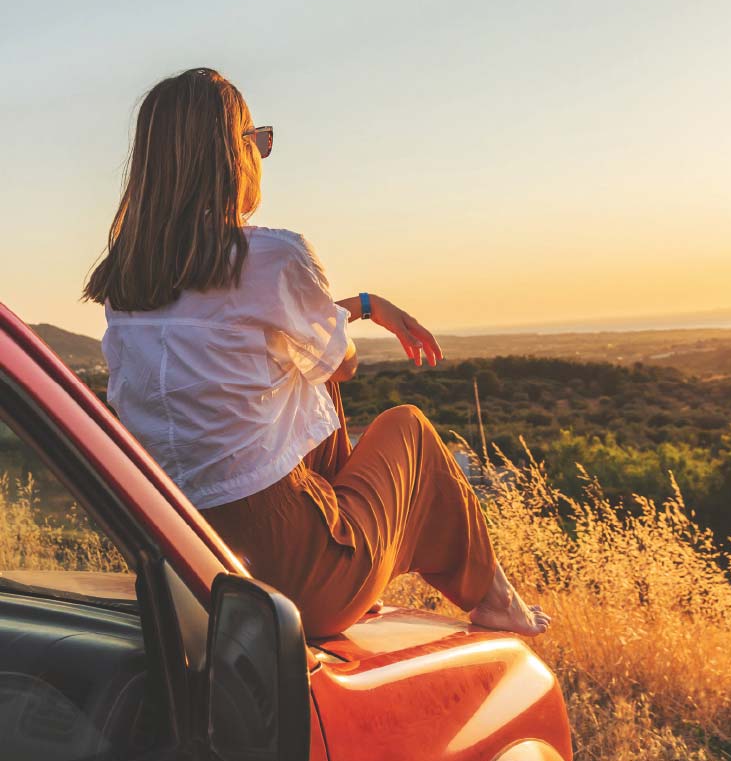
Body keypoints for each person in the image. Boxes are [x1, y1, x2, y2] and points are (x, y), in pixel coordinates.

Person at [83, 67, 549, 639]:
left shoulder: (127, 286)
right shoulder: (273, 256)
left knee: (302, 376)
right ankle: (498, 600)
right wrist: (361, 308)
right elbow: (341, 364)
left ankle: (363, 558)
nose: (260, 153)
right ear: (232, 156)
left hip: (181, 560)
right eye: (256, 140)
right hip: (288, 576)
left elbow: (239, 341)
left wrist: (353, 306)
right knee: (411, 431)